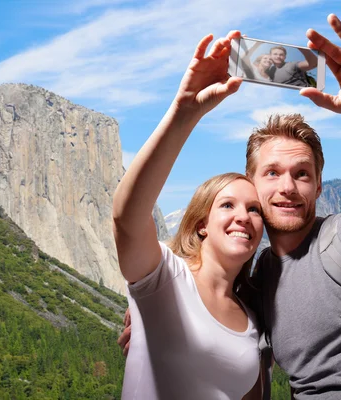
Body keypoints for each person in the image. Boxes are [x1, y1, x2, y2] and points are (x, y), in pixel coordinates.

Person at [119, 14, 341, 399]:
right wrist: (151, 312)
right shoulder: (258, 283)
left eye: (301, 174)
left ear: (319, 186)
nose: (287, 186)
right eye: (272, 173)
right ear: (252, 183)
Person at [112, 31, 265, 399]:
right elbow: (127, 217)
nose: (243, 216)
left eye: (254, 209)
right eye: (227, 205)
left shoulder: (252, 317)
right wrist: (185, 112)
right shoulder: (163, 277)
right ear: (202, 224)